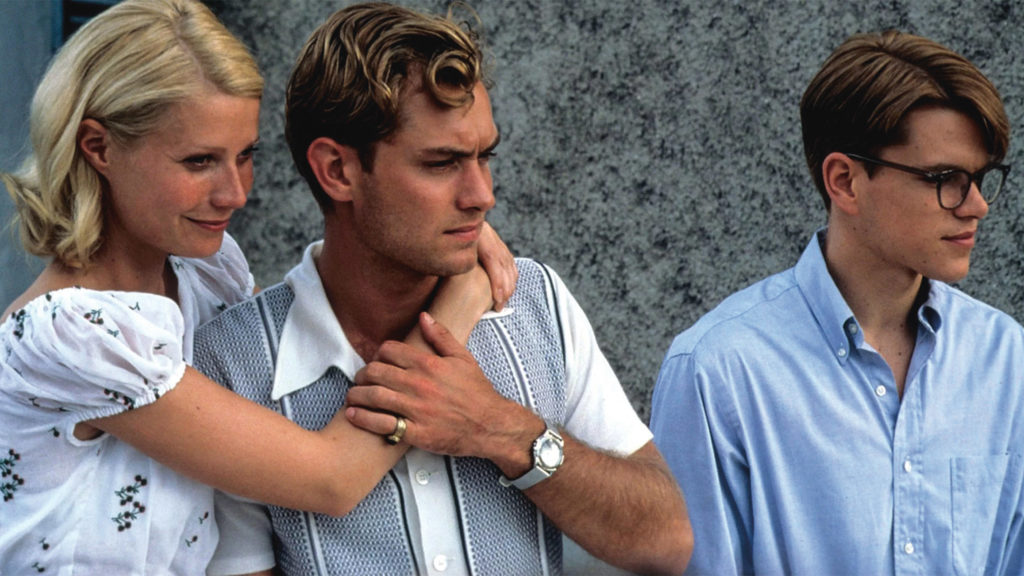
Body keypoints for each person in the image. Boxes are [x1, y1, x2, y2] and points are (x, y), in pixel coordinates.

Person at [0, 0, 516, 573]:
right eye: (199, 161)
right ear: (99, 148)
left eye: (245, 155)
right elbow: (332, 479)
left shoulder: (203, 274)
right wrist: (461, 298)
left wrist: (450, 234)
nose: (236, 194)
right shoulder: (68, 334)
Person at [194, 3, 692, 575]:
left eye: (485, 156)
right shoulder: (232, 364)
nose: (482, 195)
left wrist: (505, 431)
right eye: (442, 163)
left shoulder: (535, 303)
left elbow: (667, 541)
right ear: (337, 170)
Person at [651, 30, 1023, 575]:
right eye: (946, 178)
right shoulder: (720, 371)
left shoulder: (1006, 359)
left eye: (981, 178)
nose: (977, 206)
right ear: (845, 181)